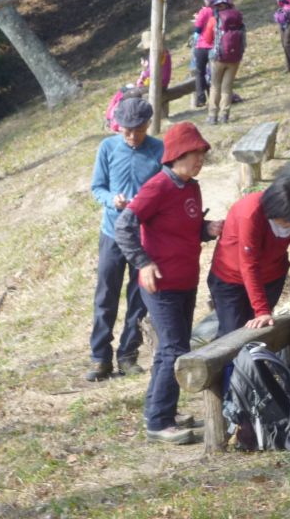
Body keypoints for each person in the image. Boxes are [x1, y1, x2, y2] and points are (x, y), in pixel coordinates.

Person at [114, 122, 223, 445]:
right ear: (176, 156)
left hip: (185, 279)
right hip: (160, 284)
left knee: (170, 349)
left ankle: (161, 411)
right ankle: (159, 422)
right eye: (194, 155)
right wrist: (143, 263)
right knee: (175, 348)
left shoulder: (191, 187)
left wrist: (207, 229)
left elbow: (184, 228)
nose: (200, 160)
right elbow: (124, 225)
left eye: (202, 154)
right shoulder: (157, 187)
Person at [86, 97, 165, 382]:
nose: (132, 136)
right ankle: (99, 357)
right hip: (112, 232)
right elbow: (97, 187)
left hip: (144, 236)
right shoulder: (107, 147)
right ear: (118, 126)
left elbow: (165, 191)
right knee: (106, 294)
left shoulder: (159, 150)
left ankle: (128, 354)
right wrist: (111, 200)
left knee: (139, 296)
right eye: (126, 130)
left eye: (138, 130)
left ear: (148, 124)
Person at [208, 174, 290, 337]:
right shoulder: (251, 213)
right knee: (232, 335)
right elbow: (248, 264)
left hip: (271, 277)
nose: (289, 226)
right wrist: (261, 310)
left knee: (261, 332)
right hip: (231, 280)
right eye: (284, 222)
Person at [207, 0, 246, 125]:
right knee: (227, 87)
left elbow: (207, 39)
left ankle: (212, 116)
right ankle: (224, 115)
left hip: (218, 57)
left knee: (215, 86)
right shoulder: (238, 18)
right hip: (235, 58)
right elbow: (244, 40)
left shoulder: (214, 19)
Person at [191, 0, 228, 107]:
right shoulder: (220, 10)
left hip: (201, 46)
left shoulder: (204, 11)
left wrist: (197, 21)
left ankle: (201, 98)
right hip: (214, 46)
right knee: (213, 74)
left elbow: (198, 28)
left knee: (199, 72)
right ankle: (214, 97)